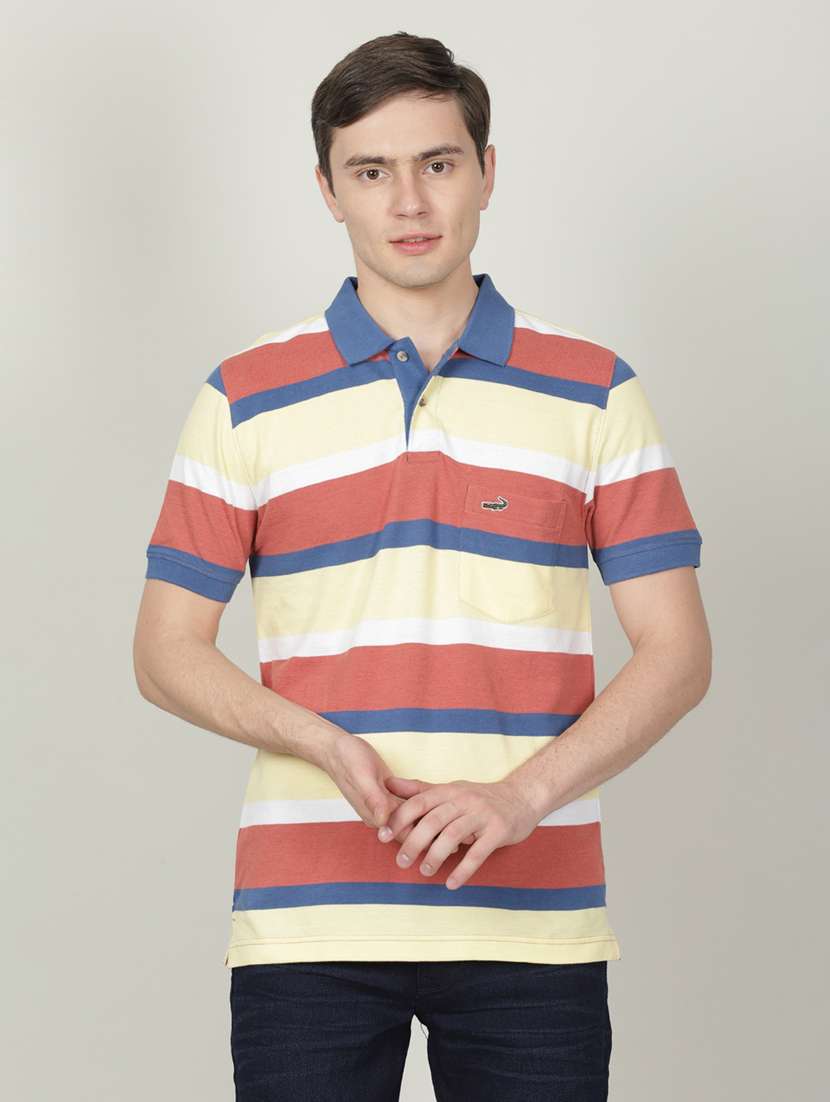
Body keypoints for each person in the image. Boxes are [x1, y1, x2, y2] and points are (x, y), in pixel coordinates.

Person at [133, 30, 711, 1102]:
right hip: (308, 922)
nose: (408, 202)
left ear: (485, 171)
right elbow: (164, 652)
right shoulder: (244, 396)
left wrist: (520, 799)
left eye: (437, 163)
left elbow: (677, 653)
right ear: (327, 189)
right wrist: (318, 740)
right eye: (370, 171)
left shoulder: (595, 389)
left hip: (532, 921)